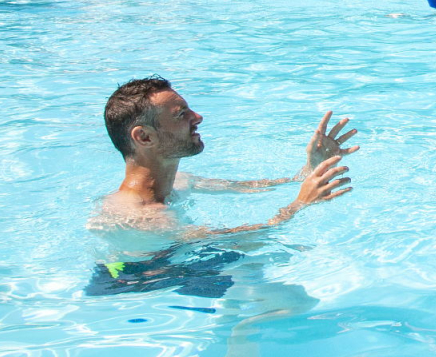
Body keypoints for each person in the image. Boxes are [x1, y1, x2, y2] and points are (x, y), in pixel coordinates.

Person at [90, 77, 358, 239]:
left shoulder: (181, 181)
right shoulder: (138, 216)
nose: (197, 117)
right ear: (145, 138)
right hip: (142, 280)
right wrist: (299, 205)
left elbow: (249, 188)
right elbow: (235, 241)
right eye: (180, 114)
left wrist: (308, 170)